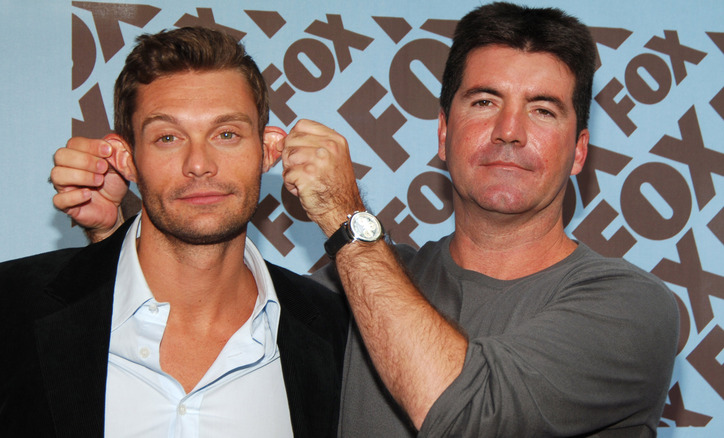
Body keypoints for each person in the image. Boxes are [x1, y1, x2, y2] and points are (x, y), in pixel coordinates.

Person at [50, 3, 679, 437]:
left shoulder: (630, 307)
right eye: (484, 101)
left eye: (542, 110)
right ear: (443, 132)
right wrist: (115, 233)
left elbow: (462, 417)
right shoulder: (350, 287)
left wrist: (346, 217)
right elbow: (201, 339)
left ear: (579, 151)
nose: (509, 132)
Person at [0, 27, 348, 437]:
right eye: (167, 137)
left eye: (226, 134)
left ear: (267, 151)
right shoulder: (5, 306)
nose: (199, 164)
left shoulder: (338, 334)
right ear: (127, 159)